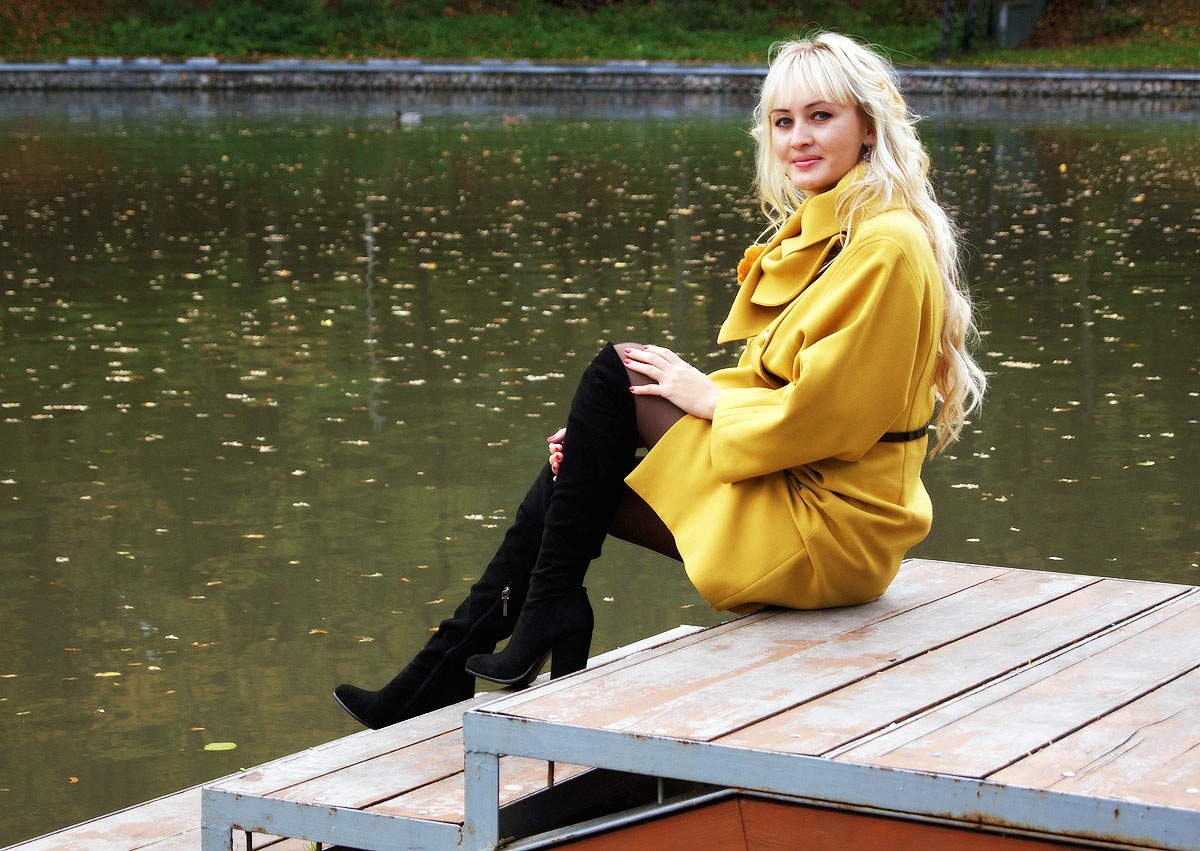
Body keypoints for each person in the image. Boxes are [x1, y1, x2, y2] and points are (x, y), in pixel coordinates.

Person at [332, 31, 987, 729]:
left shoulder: (884, 245)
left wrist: (709, 398)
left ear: (868, 126)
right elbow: (792, 389)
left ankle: (519, 628)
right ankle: (451, 663)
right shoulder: (841, 231)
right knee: (579, 468)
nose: (797, 137)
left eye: (820, 116)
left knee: (618, 373)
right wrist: (614, 438)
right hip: (813, 506)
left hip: (832, 533)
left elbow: (831, 417)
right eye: (783, 121)